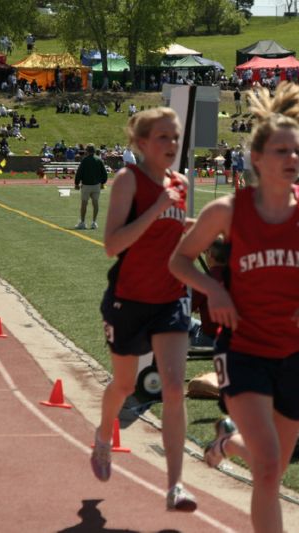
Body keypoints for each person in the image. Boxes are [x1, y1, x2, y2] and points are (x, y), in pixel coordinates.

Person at [168, 82, 299, 533]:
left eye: (297, 151)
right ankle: (236, 442)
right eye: (281, 151)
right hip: (245, 349)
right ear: (257, 158)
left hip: (297, 352)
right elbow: (178, 259)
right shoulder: (228, 211)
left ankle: (228, 442)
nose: (293, 159)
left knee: (272, 468)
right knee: (270, 466)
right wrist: (213, 291)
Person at [90, 107, 198, 512]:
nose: (171, 145)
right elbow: (112, 245)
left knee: (173, 387)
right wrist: (157, 211)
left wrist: (188, 228)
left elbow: (169, 235)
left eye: (175, 137)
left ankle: (175, 486)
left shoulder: (180, 183)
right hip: (128, 298)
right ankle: (104, 435)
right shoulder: (127, 180)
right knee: (123, 385)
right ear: (141, 143)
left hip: (170, 297)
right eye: (162, 138)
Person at [74, 144, 108, 230]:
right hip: (96, 185)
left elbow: (79, 173)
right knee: (95, 203)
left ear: (87, 151)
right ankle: (94, 222)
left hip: (86, 185)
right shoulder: (99, 160)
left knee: (84, 203)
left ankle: (82, 222)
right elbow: (104, 174)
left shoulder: (85, 160)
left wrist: (77, 183)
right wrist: (102, 182)